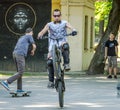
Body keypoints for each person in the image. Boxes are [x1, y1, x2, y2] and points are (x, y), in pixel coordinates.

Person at [37, 9, 77, 88]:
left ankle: (66, 64)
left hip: (62, 42)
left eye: (58, 16)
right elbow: (43, 31)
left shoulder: (64, 23)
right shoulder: (49, 24)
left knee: (65, 46)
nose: (56, 17)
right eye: (55, 16)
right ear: (52, 16)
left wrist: (74, 30)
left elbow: (71, 27)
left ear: (60, 16)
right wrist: (40, 35)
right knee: (49, 62)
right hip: (53, 45)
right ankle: (51, 81)